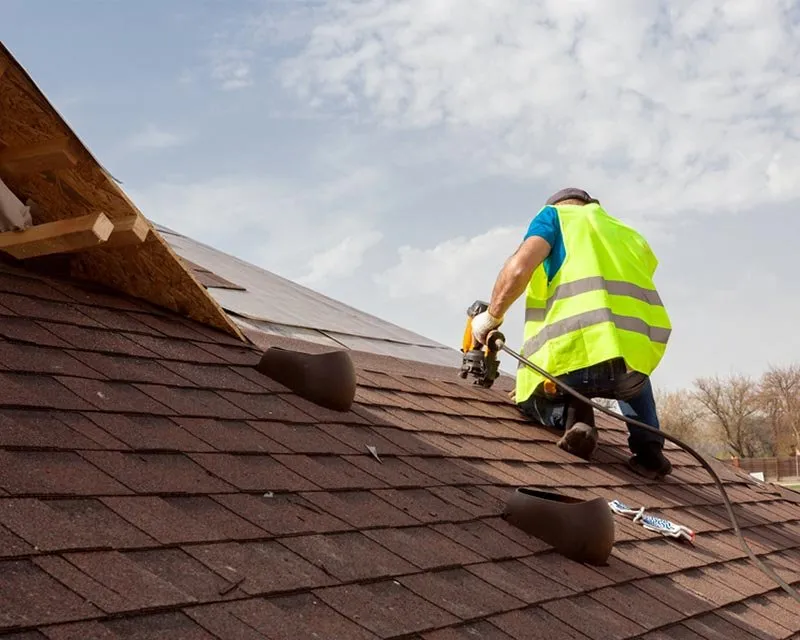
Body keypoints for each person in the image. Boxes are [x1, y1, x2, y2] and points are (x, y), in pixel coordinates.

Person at [471, 188, 673, 479]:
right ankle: (650, 451)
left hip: (575, 356)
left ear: (561, 205)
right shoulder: (626, 232)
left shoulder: (554, 217)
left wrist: (491, 317)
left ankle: (578, 421)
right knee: (632, 377)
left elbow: (518, 269)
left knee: (530, 397)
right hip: (634, 359)